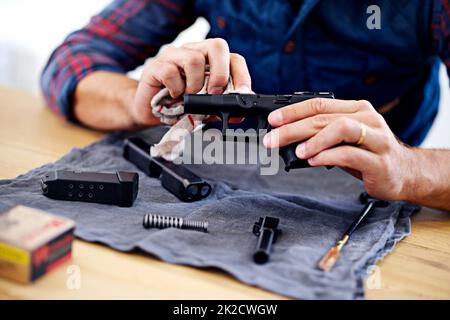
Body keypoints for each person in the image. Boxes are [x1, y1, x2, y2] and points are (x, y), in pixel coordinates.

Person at [41, 0, 450, 210]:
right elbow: (71, 62)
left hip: (360, 203)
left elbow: (410, 172)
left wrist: (410, 170)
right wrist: (137, 102)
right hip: (212, 173)